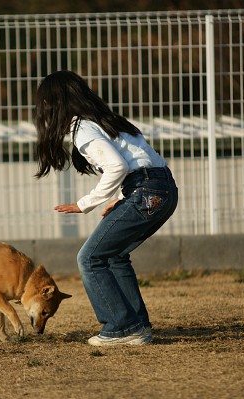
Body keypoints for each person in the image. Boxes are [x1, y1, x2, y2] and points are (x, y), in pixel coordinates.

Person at [34, 71, 178, 346]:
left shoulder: (82, 129)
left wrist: (84, 203)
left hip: (146, 190)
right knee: (113, 256)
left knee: (89, 258)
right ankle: (137, 326)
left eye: (44, 103)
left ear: (56, 103)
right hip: (162, 188)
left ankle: (121, 328)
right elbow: (144, 162)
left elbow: (117, 166)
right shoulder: (107, 121)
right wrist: (125, 195)